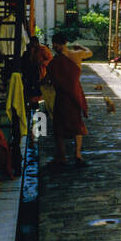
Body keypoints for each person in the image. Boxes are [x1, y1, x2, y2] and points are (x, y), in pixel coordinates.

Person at [45, 31, 92, 168]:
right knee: (69, 125)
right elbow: (90, 53)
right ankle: (72, 155)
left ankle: (68, 156)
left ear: (61, 44)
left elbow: (50, 80)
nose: (55, 47)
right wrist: (81, 47)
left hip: (65, 96)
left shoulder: (58, 60)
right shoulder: (76, 55)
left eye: (56, 45)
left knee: (66, 125)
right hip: (72, 94)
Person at [20, 33, 51, 103]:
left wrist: (43, 63)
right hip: (31, 73)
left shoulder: (43, 49)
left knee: (38, 89)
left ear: (37, 43)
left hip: (40, 72)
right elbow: (29, 61)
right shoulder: (29, 51)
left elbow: (50, 60)